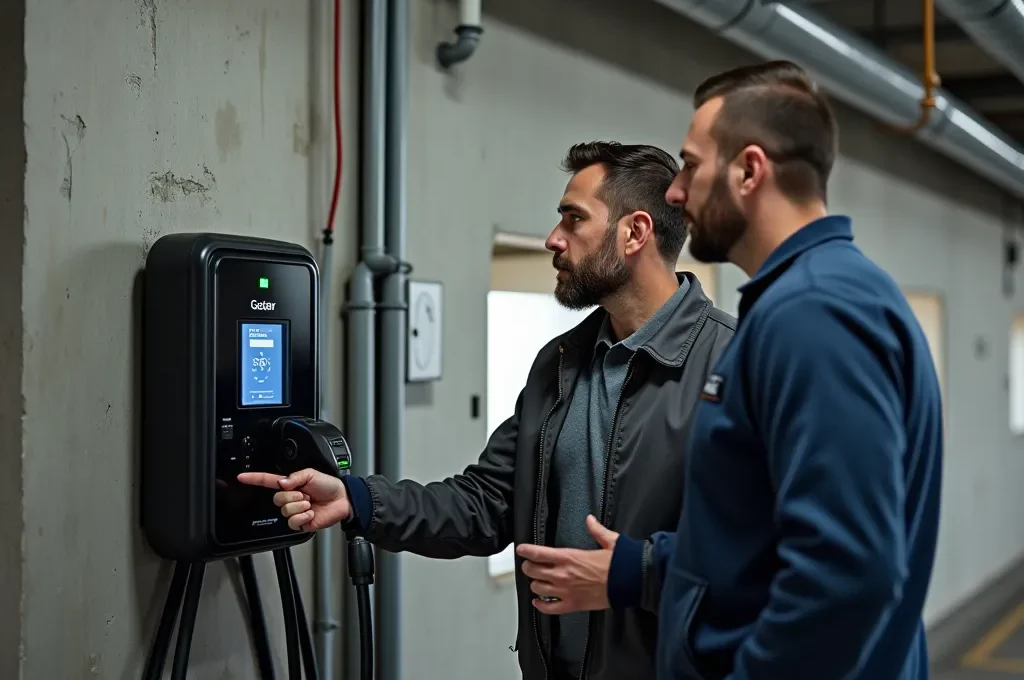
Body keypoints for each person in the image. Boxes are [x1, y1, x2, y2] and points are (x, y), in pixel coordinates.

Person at [238, 141, 736, 680]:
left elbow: (761, 560)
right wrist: (357, 499)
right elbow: (485, 504)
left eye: (574, 218)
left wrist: (634, 573)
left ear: (635, 233)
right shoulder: (561, 363)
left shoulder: (732, 365)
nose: (554, 239)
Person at [639, 60, 941, 679]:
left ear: (749, 170)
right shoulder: (813, 297)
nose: (675, 192)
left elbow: (847, 570)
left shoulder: (814, 314)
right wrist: (640, 570)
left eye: (691, 165)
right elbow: (764, 542)